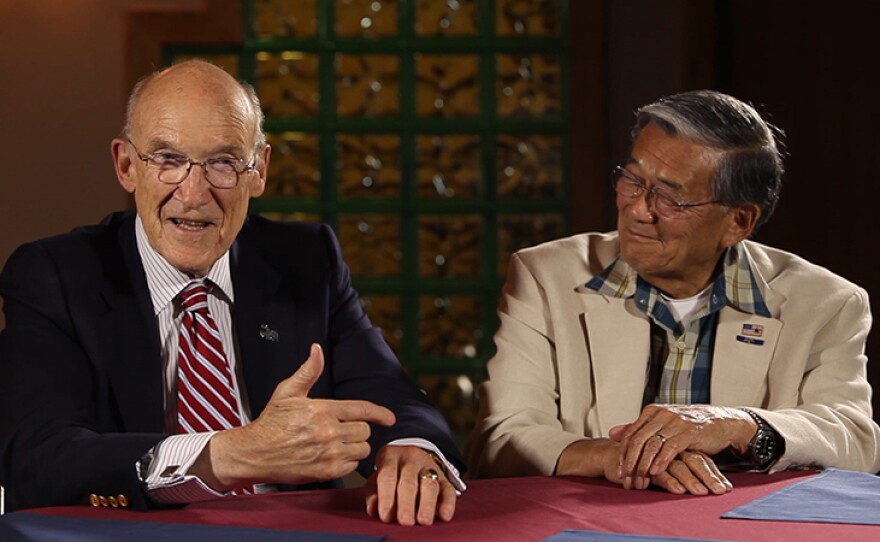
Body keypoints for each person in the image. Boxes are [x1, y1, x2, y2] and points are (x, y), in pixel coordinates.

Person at [0, 60, 465, 526]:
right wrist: (227, 456)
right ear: (126, 166)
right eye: (167, 159)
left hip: (296, 535)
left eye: (222, 162)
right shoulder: (54, 276)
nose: (194, 192)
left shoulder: (306, 260)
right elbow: (39, 459)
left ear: (258, 170)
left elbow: (390, 396)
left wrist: (411, 447)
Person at [467, 90, 880, 495]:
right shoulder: (546, 276)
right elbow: (500, 440)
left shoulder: (826, 303)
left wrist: (737, 424)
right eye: (632, 180)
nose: (638, 209)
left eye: (670, 197)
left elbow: (856, 442)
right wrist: (613, 457)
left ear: (738, 221)